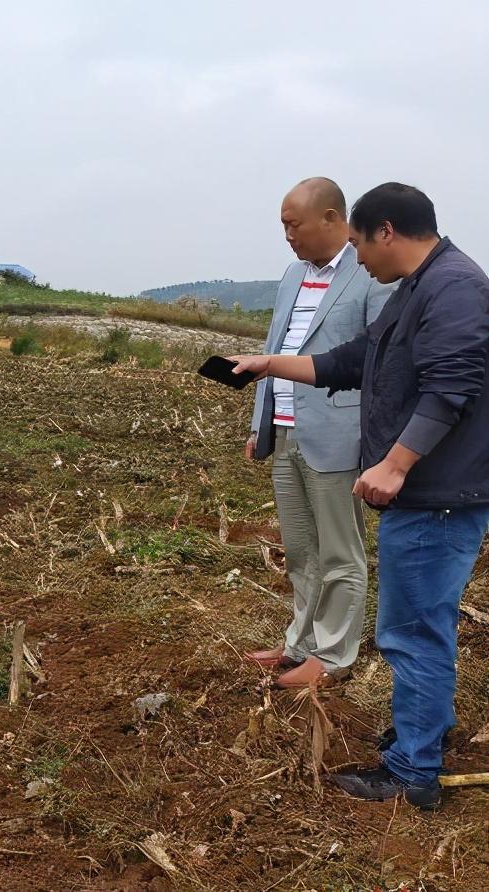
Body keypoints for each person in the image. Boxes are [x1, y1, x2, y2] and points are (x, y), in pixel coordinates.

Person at [231, 182, 489, 809]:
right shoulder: (417, 290)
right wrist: (272, 366)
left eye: (358, 242)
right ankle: (419, 735)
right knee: (416, 626)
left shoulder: (455, 289)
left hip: (438, 496)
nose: (357, 257)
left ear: (387, 232)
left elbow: (450, 389)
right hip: (427, 495)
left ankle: (412, 773)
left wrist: (396, 465)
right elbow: (352, 361)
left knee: (413, 631)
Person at [245, 178, 391, 688]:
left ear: (331, 218)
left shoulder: (371, 274)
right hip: (287, 432)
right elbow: (275, 344)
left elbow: (375, 363)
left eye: (294, 224)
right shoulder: (292, 274)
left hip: (337, 436)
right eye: (283, 225)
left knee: (340, 552)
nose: (287, 234)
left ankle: (332, 657)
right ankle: (299, 645)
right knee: (302, 550)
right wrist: (260, 421)